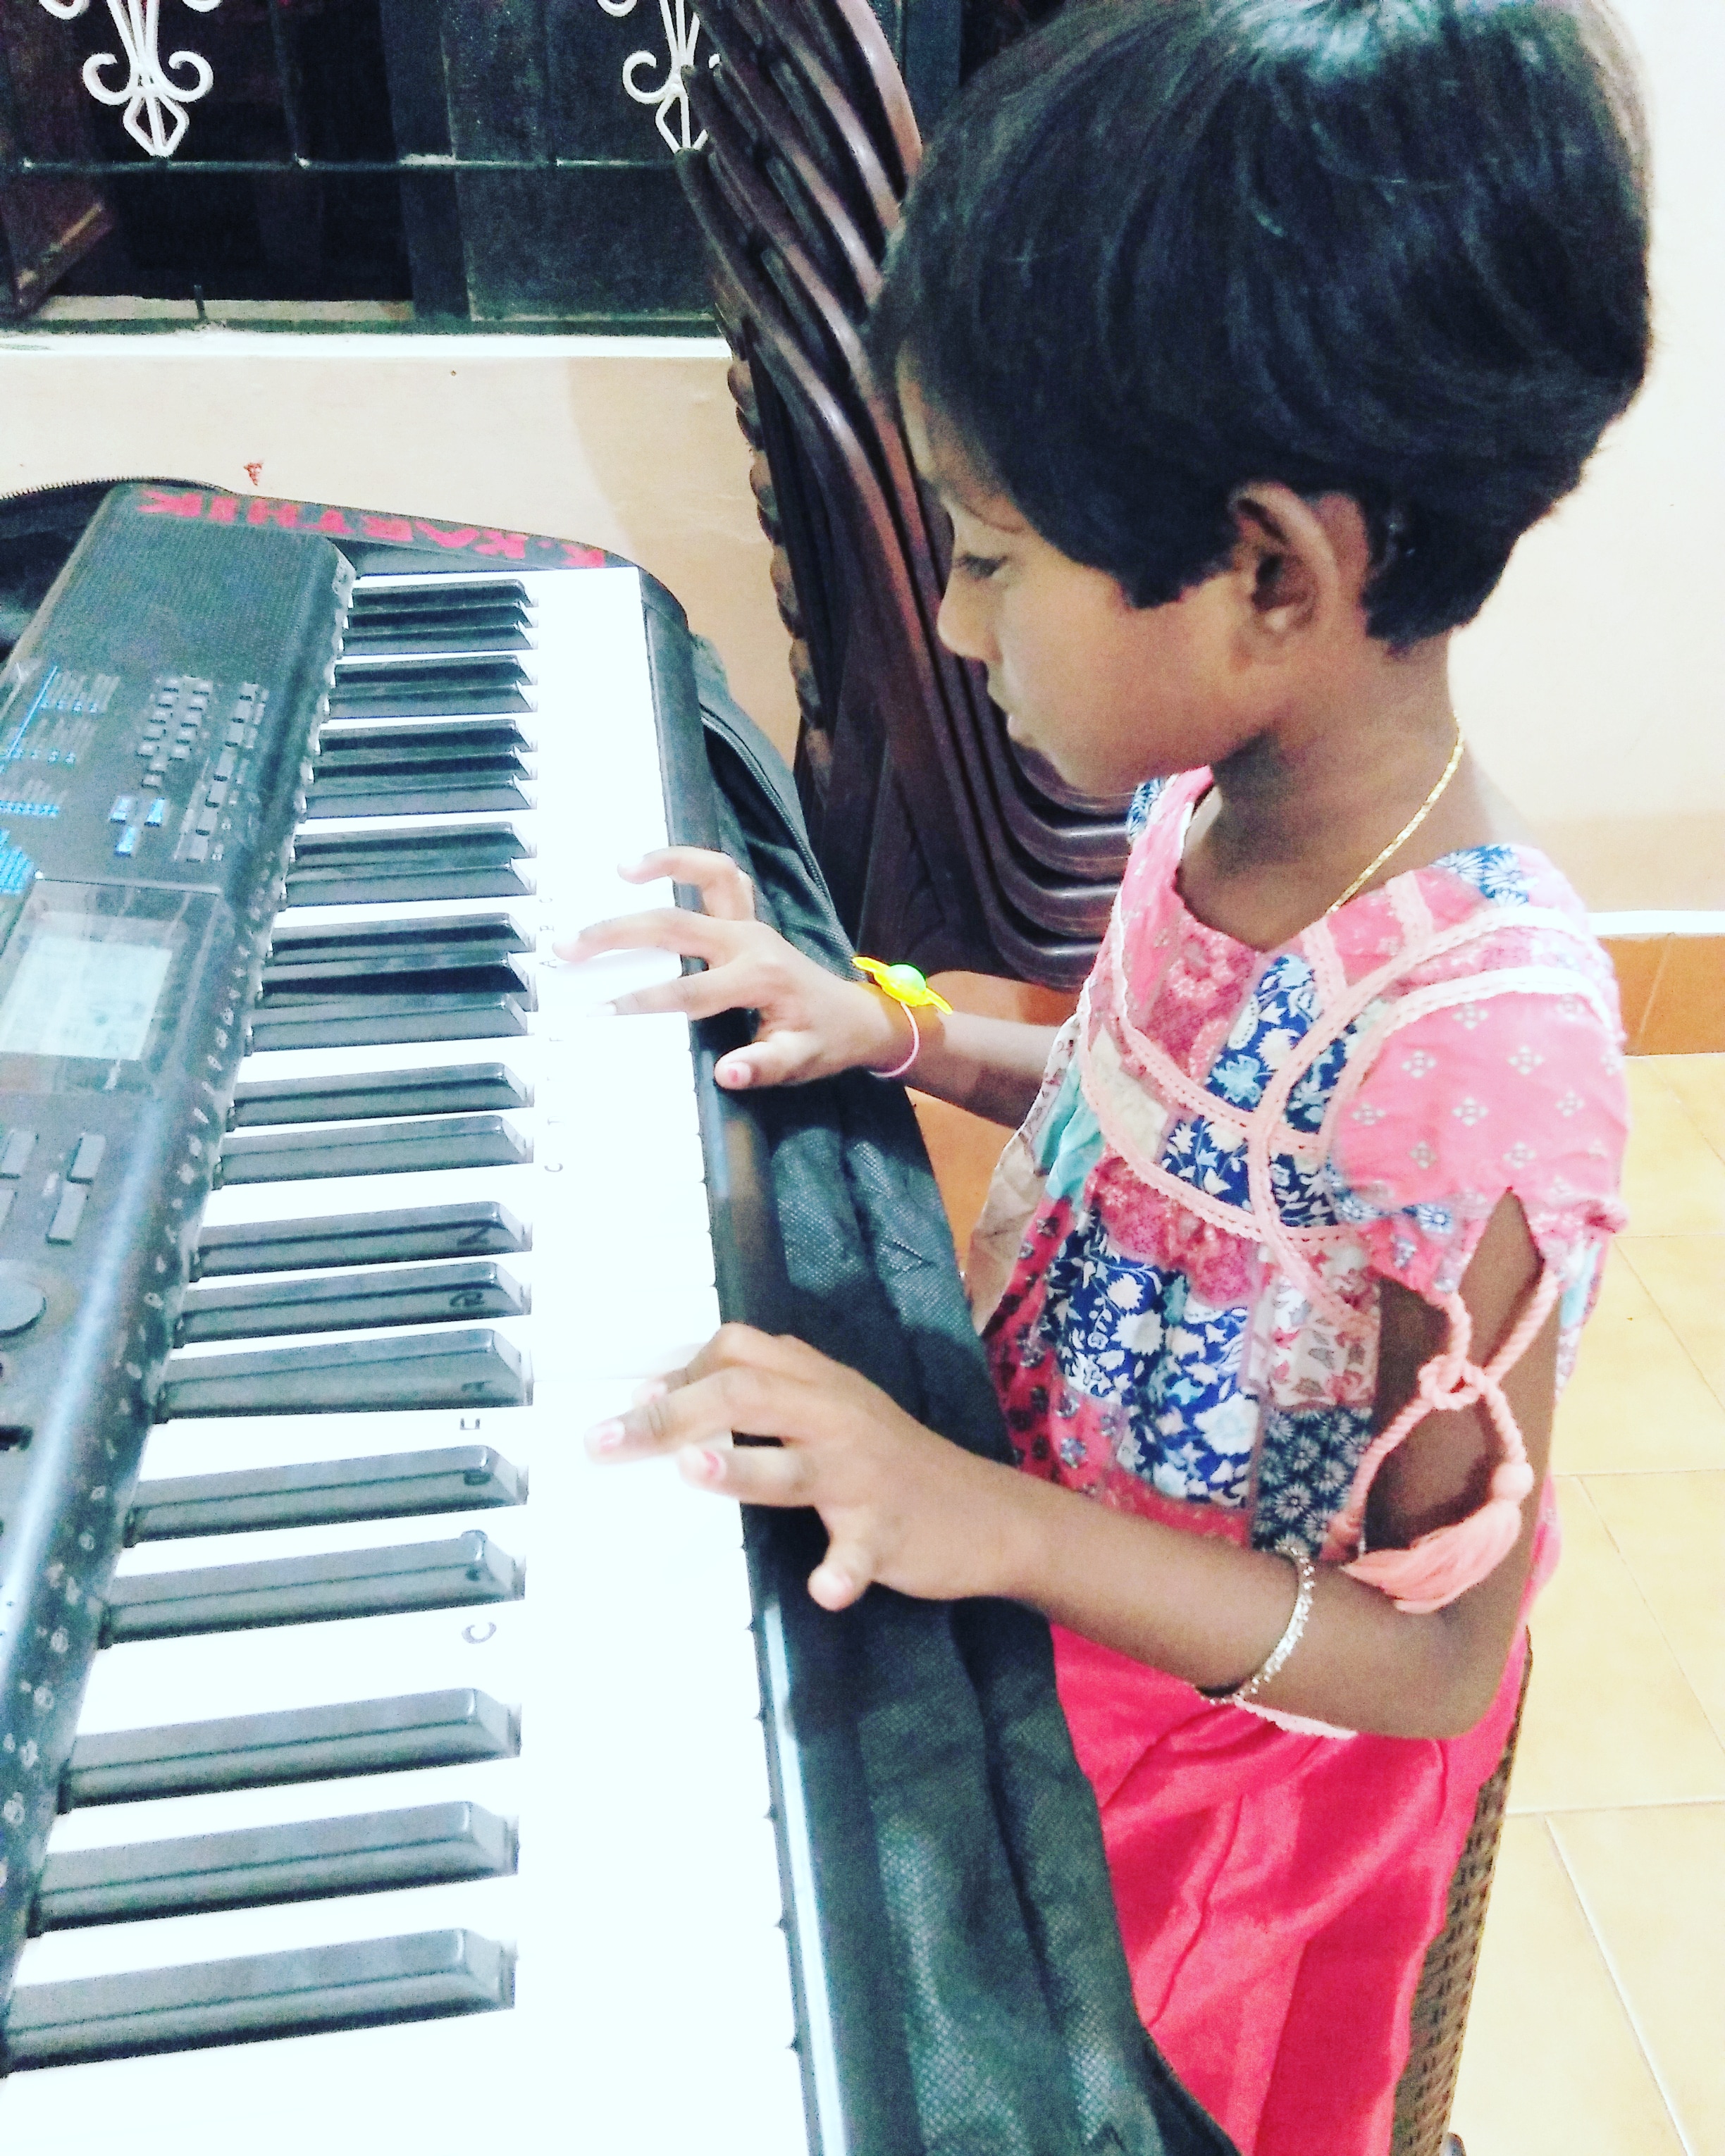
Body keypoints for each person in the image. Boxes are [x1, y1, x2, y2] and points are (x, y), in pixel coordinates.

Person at [559, 1, 1650, 2148]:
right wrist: (897, 1021)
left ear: (1270, 574)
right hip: (1044, 1578)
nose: (961, 629)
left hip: (1214, 1802)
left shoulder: (1482, 1061)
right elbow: (1156, 1110)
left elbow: (1437, 1660)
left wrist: (983, 1519)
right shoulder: (1229, 798)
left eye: (988, 555)